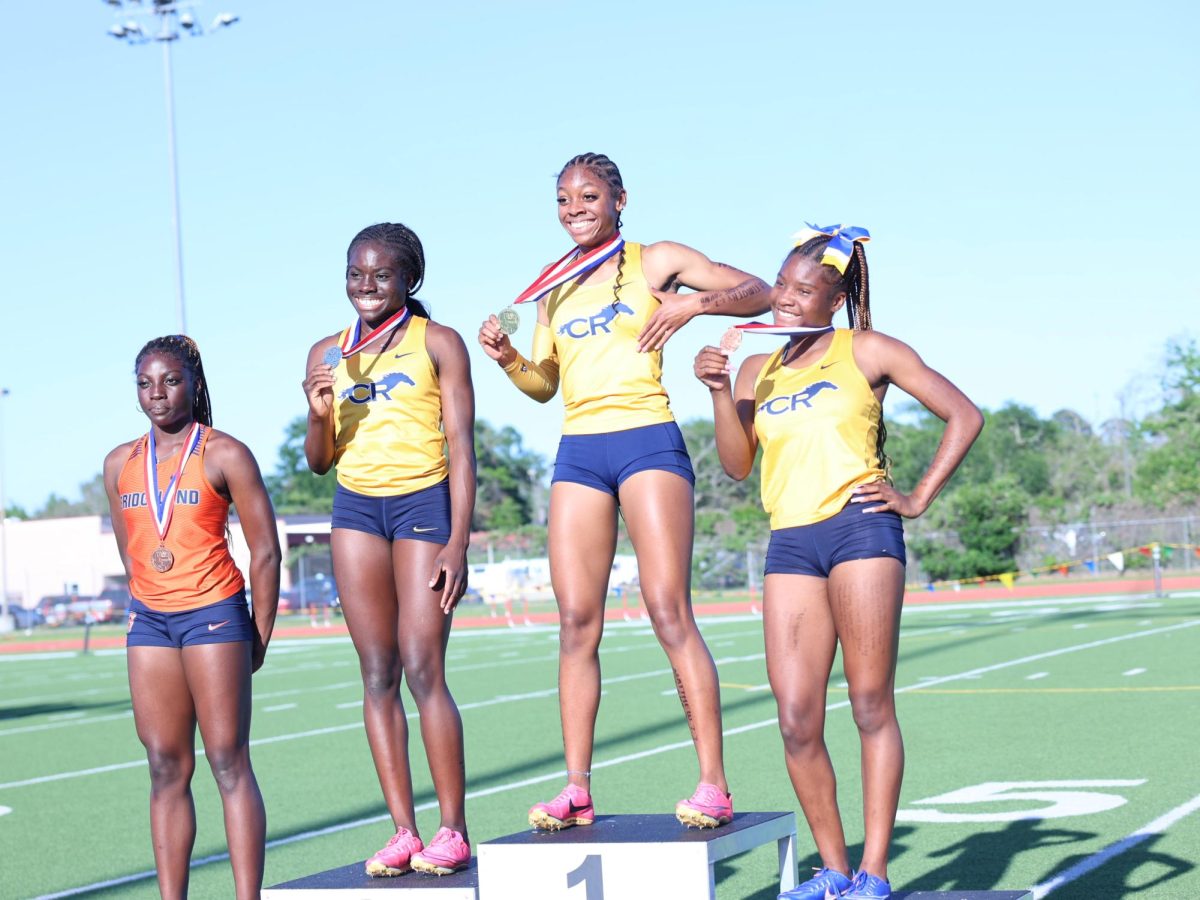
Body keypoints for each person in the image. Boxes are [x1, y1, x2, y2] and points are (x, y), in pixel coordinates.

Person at [478, 152, 771, 831]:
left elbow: (758, 289)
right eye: (562, 198)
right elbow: (544, 386)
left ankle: (713, 785)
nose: (574, 207)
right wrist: (510, 360)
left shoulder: (655, 258)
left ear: (619, 199)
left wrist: (694, 303)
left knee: (668, 610)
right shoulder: (553, 285)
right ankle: (576, 789)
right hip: (580, 451)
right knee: (576, 623)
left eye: (588, 195)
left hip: (647, 441)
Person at [693, 226, 983, 900]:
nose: (786, 301)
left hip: (861, 534)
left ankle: (874, 874)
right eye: (782, 288)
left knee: (870, 703)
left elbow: (963, 415)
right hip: (791, 542)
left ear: (835, 298)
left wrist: (915, 498)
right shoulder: (753, 368)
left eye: (803, 291)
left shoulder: (870, 350)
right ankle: (834, 871)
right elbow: (738, 468)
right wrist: (715, 392)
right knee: (796, 716)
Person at [303, 222, 476, 876]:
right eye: (356, 273)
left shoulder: (439, 343)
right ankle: (403, 830)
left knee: (423, 664)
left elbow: (462, 447)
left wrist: (459, 540)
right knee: (377, 674)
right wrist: (319, 414)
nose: (366, 285)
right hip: (354, 511)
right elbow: (320, 462)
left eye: (380, 274)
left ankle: (452, 828)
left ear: (410, 279)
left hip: (423, 506)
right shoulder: (326, 352)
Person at [103, 335, 281, 900]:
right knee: (163, 766)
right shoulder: (118, 464)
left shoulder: (225, 452)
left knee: (228, 761)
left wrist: (260, 634)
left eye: (171, 380)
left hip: (214, 614)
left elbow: (267, 551)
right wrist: (148, 601)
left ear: (194, 385)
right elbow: (129, 551)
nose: (157, 394)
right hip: (150, 622)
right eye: (145, 383)